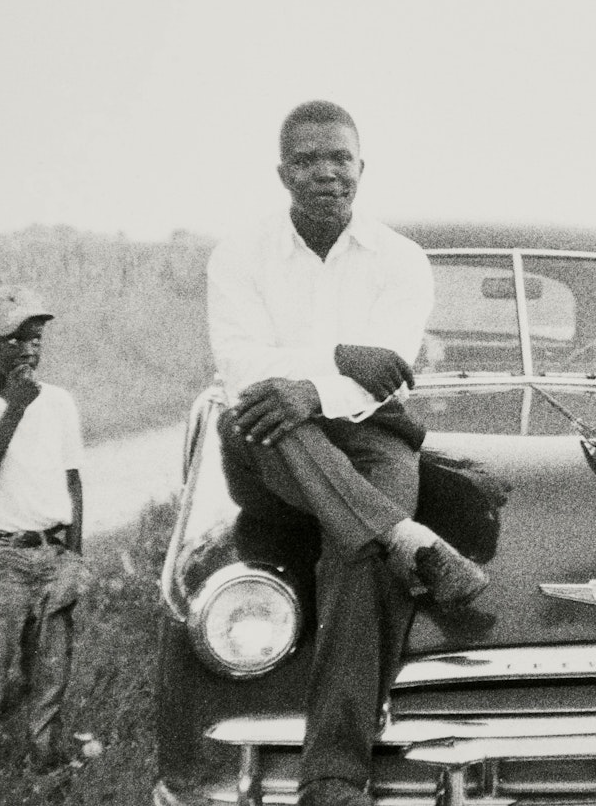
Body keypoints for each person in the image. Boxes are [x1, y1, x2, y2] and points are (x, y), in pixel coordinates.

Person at [206, 100, 488, 806]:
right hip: (267, 441)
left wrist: (308, 385)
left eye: (339, 157)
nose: (326, 172)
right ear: (282, 172)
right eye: (307, 159)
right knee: (271, 410)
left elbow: (386, 370)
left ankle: (331, 780)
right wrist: (331, 359)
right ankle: (408, 538)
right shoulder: (240, 253)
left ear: (362, 167)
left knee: (357, 557)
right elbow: (242, 367)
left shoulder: (402, 259)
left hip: (374, 432)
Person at [0, 286, 85, 805]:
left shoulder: (60, 401)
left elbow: (73, 481)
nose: (29, 349)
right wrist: (15, 409)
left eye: (36, 337)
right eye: (14, 339)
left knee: (50, 678)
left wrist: (74, 558)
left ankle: (45, 772)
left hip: (52, 556)